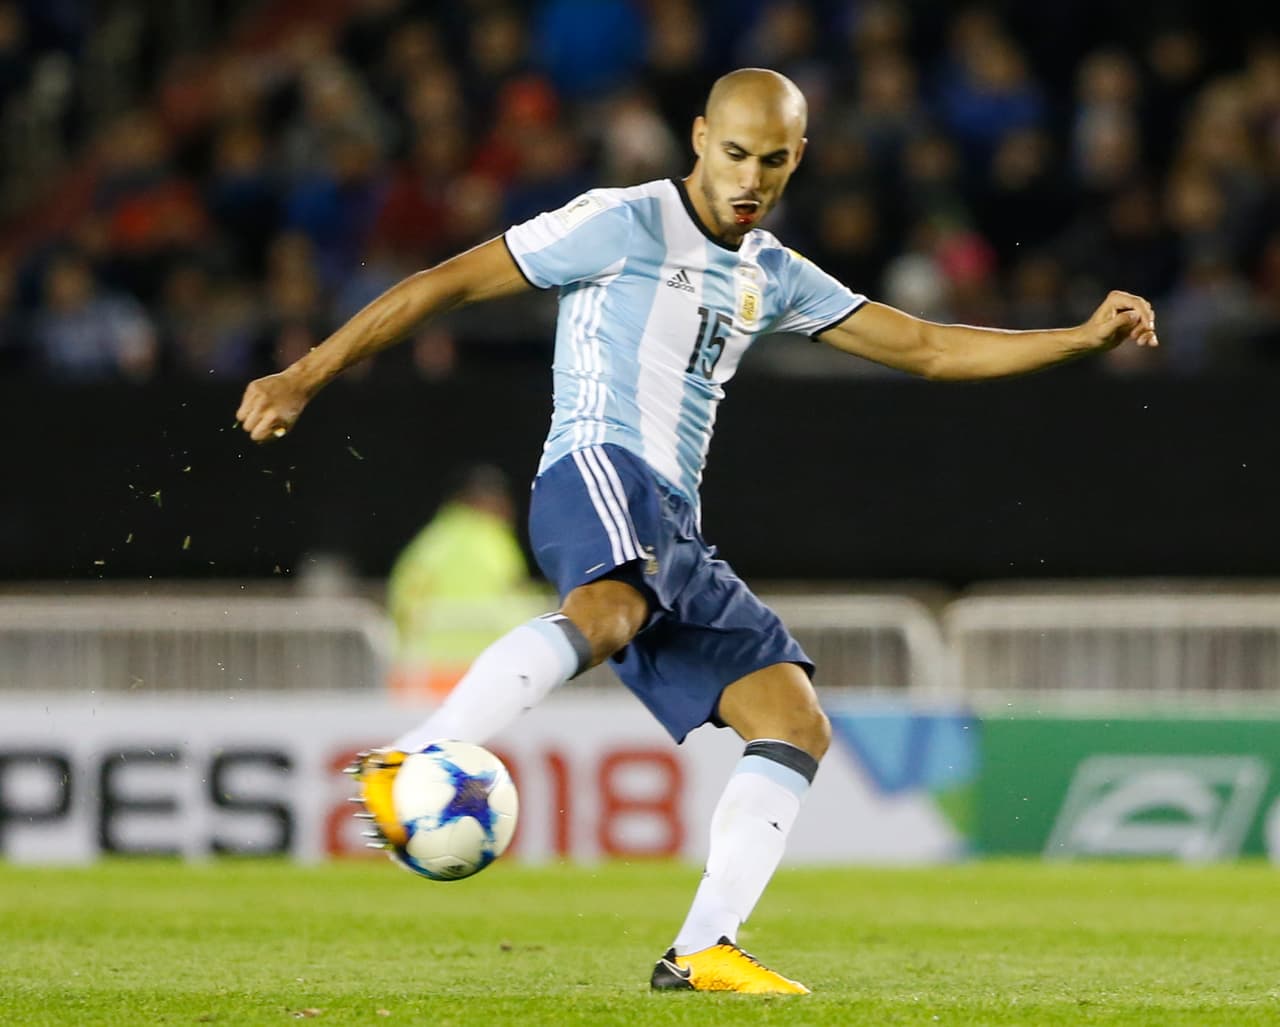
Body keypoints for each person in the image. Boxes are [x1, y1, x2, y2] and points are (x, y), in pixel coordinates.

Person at [236, 68, 1158, 995]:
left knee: (792, 719)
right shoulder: (620, 221)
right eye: (734, 154)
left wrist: (1077, 340)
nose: (749, 179)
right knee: (610, 607)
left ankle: (703, 947)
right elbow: (445, 282)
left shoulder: (773, 272)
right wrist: (304, 375)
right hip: (597, 465)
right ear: (699, 137)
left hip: (673, 525)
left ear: (797, 158)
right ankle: (419, 752)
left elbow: (927, 347)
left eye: (771, 161)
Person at [385, 463, 547, 700]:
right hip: (484, 672)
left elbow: (403, 604)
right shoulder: (493, 542)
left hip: (423, 676)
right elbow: (512, 601)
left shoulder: (431, 542)